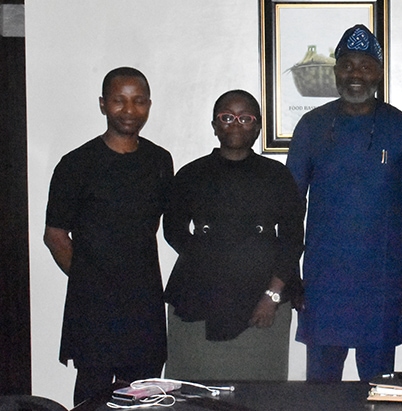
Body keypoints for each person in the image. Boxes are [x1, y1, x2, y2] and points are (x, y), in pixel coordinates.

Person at [286, 24, 402, 382]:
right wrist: (291, 271)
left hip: (383, 278)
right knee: (321, 387)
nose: (356, 75)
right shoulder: (311, 126)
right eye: (347, 65)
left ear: (378, 72)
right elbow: (290, 207)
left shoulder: (401, 128)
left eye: (365, 66)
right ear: (335, 72)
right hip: (323, 279)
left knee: (380, 386)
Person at [43, 67, 172, 405]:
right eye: (119, 101)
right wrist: (90, 280)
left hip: (144, 299)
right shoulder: (76, 164)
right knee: (94, 393)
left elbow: (154, 223)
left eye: (138, 101)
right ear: (103, 104)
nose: (129, 110)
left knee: (144, 391)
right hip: (93, 305)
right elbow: (55, 234)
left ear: (148, 105)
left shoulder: (159, 160)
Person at [162, 90, 305, 381]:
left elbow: (292, 239)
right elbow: (173, 231)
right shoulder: (191, 174)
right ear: (215, 125)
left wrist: (272, 295)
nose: (235, 124)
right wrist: (209, 260)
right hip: (198, 298)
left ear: (258, 126)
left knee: (260, 393)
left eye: (245, 118)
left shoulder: (277, 176)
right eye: (226, 117)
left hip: (264, 300)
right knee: (194, 390)